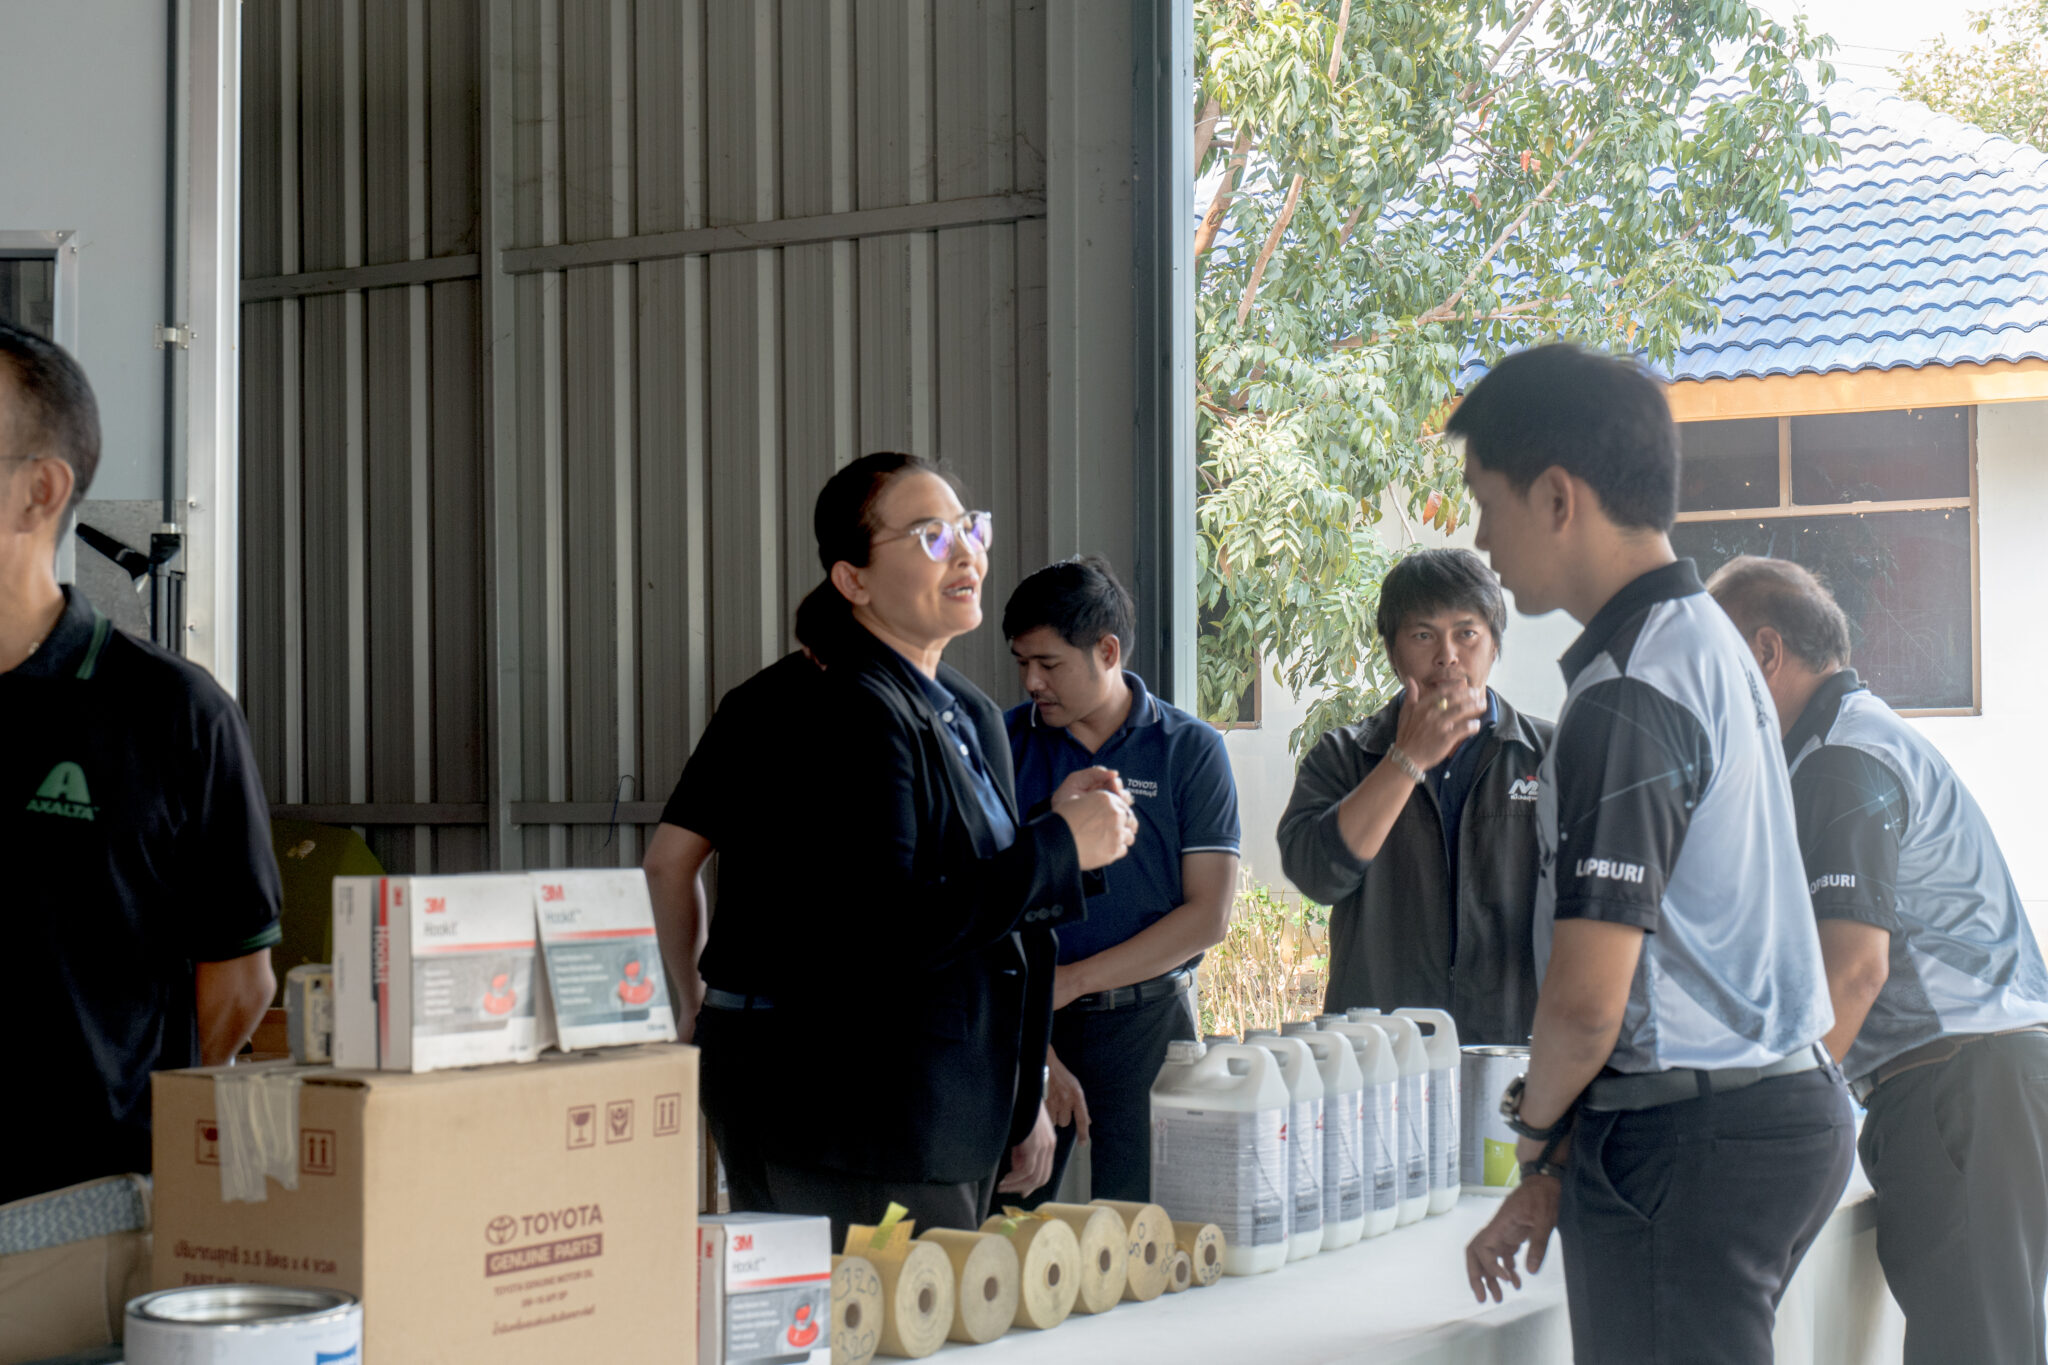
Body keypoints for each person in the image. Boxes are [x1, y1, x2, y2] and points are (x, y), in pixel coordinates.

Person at [1454, 343, 1853, 1364]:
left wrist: (1532, 1140)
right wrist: (1555, 1164)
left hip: (1694, 1138)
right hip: (1765, 1106)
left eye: (1485, 503)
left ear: (1557, 498)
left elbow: (1588, 1000)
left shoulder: (1631, 690)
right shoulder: (1706, 640)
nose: (1479, 539)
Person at [644, 452, 1137, 1245]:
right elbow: (887, 927)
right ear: (854, 580)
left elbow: (964, 888)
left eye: (968, 528)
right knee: (878, 1308)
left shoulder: (965, 710)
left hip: (944, 1098)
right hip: (858, 1107)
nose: (965, 551)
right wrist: (1056, 846)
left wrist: (1056, 829)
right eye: (930, 535)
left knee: (932, 1302)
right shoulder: (850, 709)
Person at [0, 323, 281, 1363]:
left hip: (79, 1229)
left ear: (39, 491)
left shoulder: (169, 715)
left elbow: (237, 982)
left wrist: (121, 1117)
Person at [1707, 554, 2048, 1364]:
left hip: (1963, 1092)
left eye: (1711, 661)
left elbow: (1854, 969)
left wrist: (1771, 1133)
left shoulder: (1841, 757)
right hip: (1984, 1087)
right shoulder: (1855, 738)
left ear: (1764, 653)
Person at [1001, 556, 1241, 1203]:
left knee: (1148, 1223)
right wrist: (1038, 1049)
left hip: (1148, 1026)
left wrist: (1075, 981)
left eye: (1048, 664)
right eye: (1022, 662)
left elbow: (1208, 916)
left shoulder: (1190, 750)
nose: (1031, 681)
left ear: (1107, 652)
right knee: (1005, 1217)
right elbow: (987, 900)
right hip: (1026, 1024)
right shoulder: (1003, 744)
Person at [1277, 548, 1551, 1043]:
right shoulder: (1343, 756)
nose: (1447, 655)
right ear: (1392, 651)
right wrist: (1406, 759)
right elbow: (1318, 878)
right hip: (1378, 1050)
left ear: (1494, 645)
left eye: (1466, 633)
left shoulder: (1548, 756)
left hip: (1512, 1048)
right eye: (1424, 635)